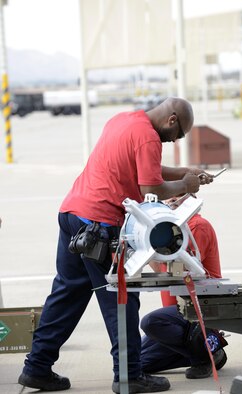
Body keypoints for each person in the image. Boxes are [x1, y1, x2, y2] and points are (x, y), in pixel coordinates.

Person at [18, 97, 214, 393]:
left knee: (67, 293)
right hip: (99, 224)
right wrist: (186, 186)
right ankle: (129, 376)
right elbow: (151, 189)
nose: (174, 140)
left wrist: (182, 171)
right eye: (177, 135)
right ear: (172, 120)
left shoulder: (123, 120)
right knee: (121, 298)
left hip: (72, 213)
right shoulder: (149, 137)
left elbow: (145, 168)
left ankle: (36, 367)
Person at [141, 195, 227, 380]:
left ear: (191, 199)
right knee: (137, 362)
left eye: (178, 196)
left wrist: (157, 248)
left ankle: (205, 354)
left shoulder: (195, 226)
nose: (170, 200)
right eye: (168, 196)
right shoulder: (172, 229)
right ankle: (206, 349)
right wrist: (146, 248)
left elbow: (183, 270)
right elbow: (163, 270)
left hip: (197, 309)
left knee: (151, 323)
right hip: (178, 314)